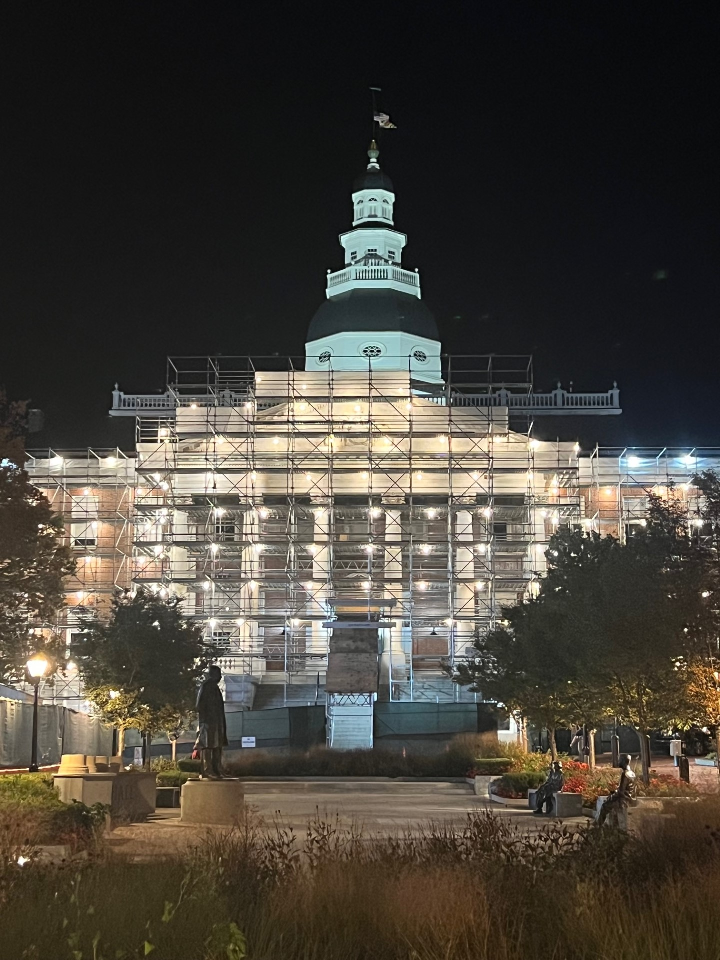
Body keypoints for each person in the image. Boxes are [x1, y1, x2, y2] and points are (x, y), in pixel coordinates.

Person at [194, 665, 228, 779]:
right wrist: (205, 721)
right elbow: (199, 705)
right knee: (208, 745)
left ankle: (217, 769)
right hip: (208, 722)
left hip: (217, 721)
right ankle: (207, 770)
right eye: (218, 674)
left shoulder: (215, 688)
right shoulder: (206, 686)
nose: (220, 677)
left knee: (218, 745)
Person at [598, 753, 636, 826]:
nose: (618, 762)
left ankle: (598, 826)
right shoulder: (632, 773)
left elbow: (620, 792)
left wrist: (611, 797)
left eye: (620, 760)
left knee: (604, 806)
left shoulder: (625, 774)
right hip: (629, 798)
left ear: (624, 761)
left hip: (623, 801)